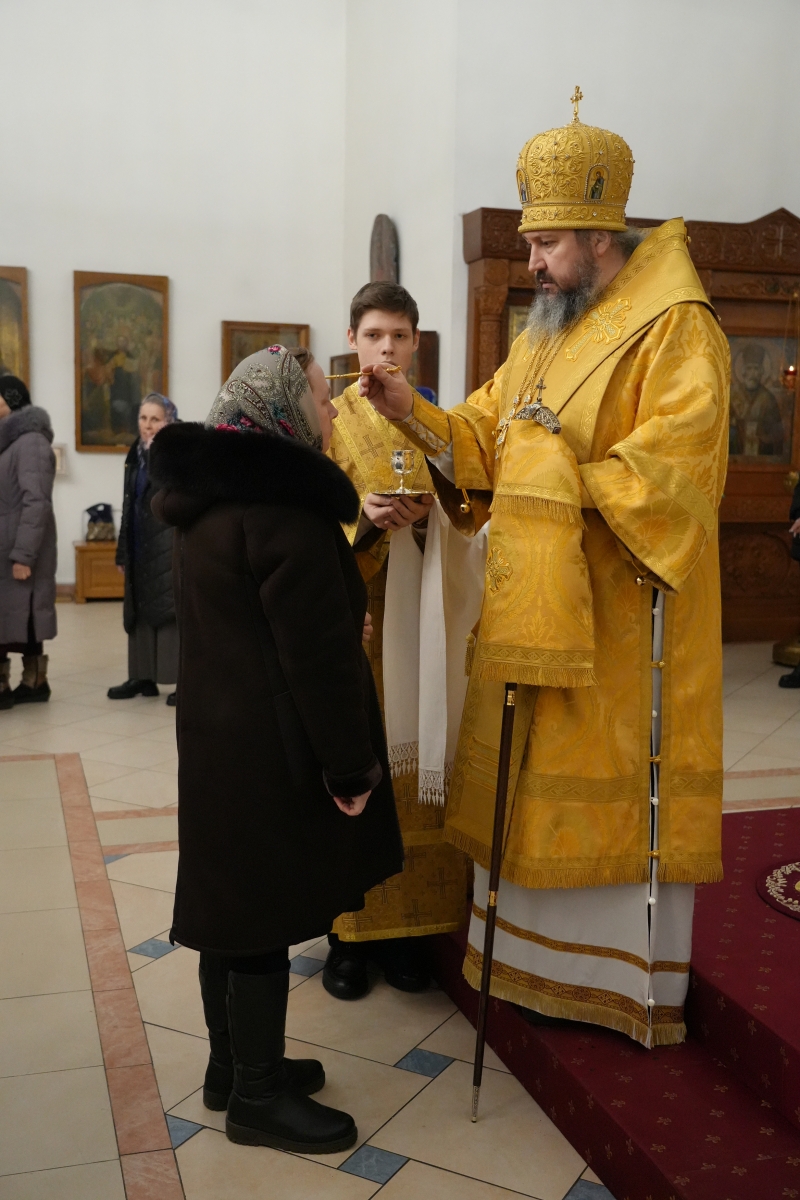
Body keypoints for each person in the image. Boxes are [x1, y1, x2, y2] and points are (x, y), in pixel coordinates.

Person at [364, 94, 730, 1048]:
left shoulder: (677, 327)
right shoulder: (546, 330)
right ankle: (528, 964)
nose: (530, 261)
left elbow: (678, 475)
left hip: (623, 624)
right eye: (529, 242)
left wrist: (548, 470)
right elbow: (486, 429)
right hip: (536, 612)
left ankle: (611, 980)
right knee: (525, 790)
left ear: (601, 236)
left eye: (545, 242)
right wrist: (410, 410)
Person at [148, 345, 403, 1153]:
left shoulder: (202, 502)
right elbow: (319, 662)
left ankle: (231, 1068)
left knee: (228, 904)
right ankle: (257, 1098)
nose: (332, 411)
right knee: (258, 916)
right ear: (283, 410)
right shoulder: (287, 512)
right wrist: (350, 767)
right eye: (322, 399)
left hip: (216, 739)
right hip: (272, 747)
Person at [323, 282, 471, 1000]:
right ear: (352, 338)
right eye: (375, 334)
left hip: (424, 619)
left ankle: (412, 934)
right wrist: (363, 516)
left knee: (419, 772)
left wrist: (429, 511)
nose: (387, 348)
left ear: (415, 343)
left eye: (400, 336)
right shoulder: (329, 420)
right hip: (358, 618)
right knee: (361, 768)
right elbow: (310, 517)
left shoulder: (434, 420)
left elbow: (473, 501)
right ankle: (347, 938)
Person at [108, 393, 179, 705]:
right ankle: (142, 676)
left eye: (155, 419)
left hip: (165, 543)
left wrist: (154, 452)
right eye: (143, 418)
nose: (147, 425)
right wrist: (122, 550)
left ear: (168, 421)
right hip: (139, 543)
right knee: (138, 609)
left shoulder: (172, 452)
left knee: (169, 610)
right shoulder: (135, 452)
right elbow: (128, 504)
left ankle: (180, 681)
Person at [0, 375, 56, 708]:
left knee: (25, 613)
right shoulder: (8, 440)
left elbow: (37, 502)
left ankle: (33, 682)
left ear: (12, 401)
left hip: (20, 548)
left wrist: (23, 555)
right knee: (9, 614)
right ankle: (17, 683)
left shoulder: (31, 441)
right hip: (5, 545)